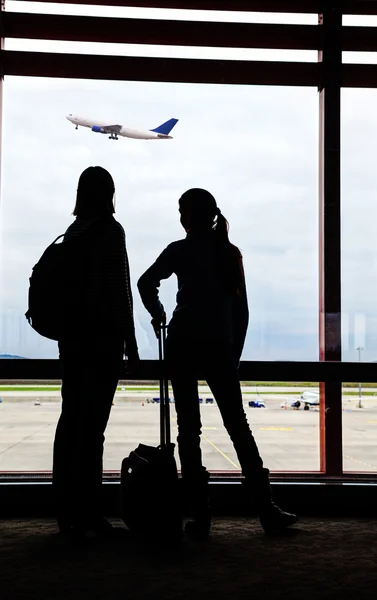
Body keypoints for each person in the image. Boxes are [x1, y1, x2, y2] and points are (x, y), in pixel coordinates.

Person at [138, 188, 297, 538]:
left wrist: (158, 311)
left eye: (182, 212)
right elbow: (241, 312)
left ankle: (200, 516)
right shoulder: (228, 253)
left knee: (188, 431)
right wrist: (233, 355)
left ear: (189, 216)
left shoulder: (179, 250)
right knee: (239, 428)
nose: (180, 218)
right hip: (219, 350)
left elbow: (146, 282)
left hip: (182, 346)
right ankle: (266, 509)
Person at [53, 166, 139, 538]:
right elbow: (120, 293)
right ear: (110, 194)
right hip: (101, 342)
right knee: (93, 431)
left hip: (71, 340)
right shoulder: (109, 231)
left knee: (69, 422)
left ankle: (65, 511)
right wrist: (131, 344)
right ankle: (89, 513)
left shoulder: (72, 232)